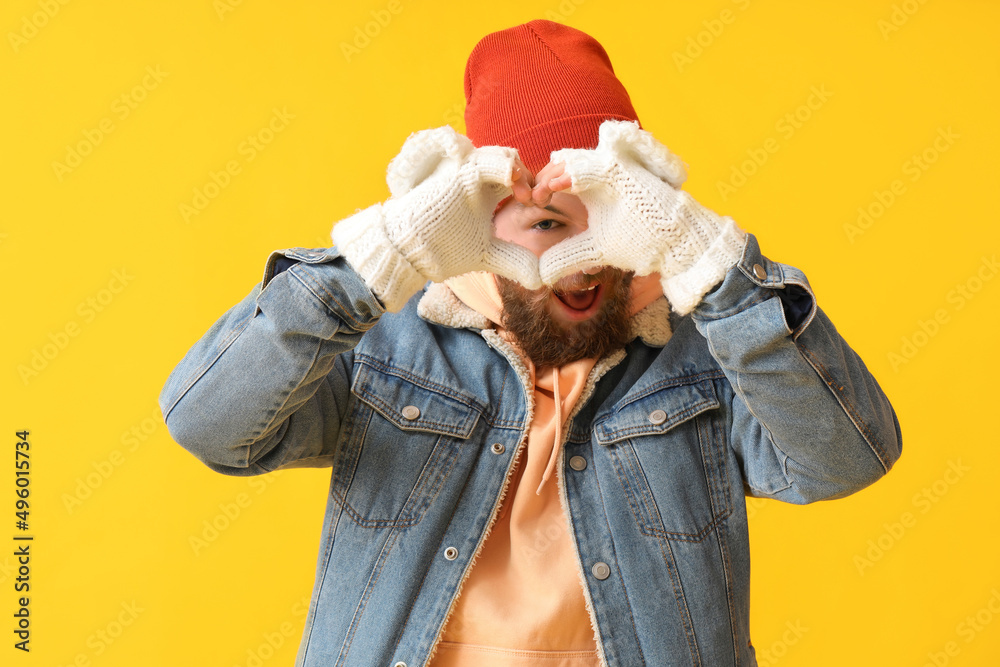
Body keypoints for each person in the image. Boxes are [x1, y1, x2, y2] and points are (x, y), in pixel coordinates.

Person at [160, 19, 902, 667]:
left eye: (604, 216)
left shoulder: (706, 349)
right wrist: (377, 260)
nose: (585, 257)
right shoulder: (388, 346)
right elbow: (211, 425)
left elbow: (845, 459)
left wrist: (706, 258)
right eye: (549, 224)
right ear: (482, 223)